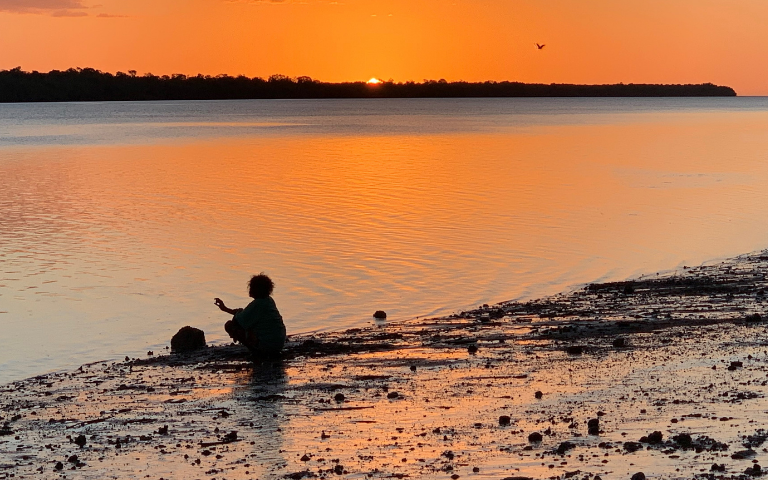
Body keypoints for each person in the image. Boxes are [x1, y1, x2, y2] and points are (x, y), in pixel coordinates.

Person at [215, 273, 287, 358]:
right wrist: (225, 309)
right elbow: (244, 313)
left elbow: (240, 320)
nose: (249, 289)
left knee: (230, 325)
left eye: (251, 287)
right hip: (278, 344)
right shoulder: (268, 301)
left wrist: (235, 325)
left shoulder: (258, 304)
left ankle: (256, 351)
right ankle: (258, 349)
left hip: (269, 345)